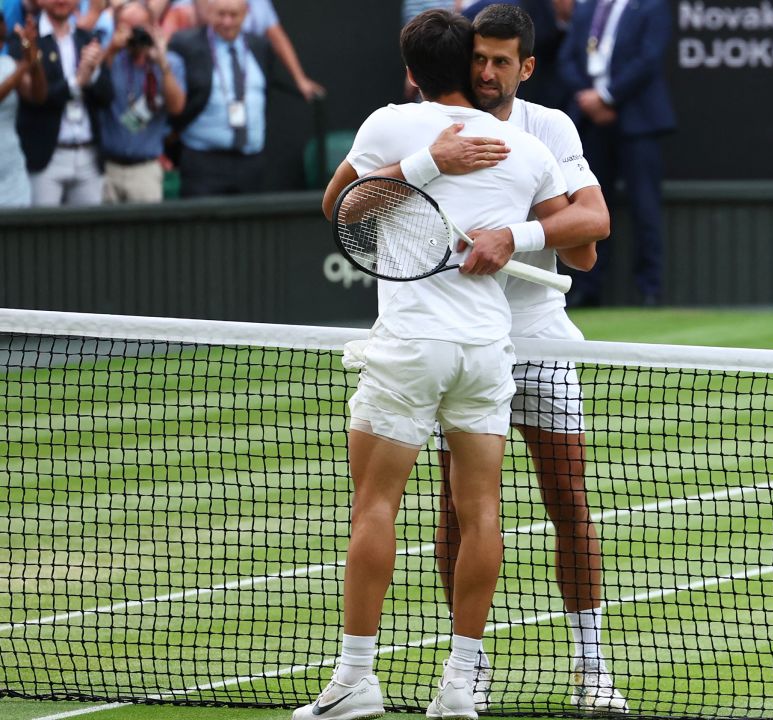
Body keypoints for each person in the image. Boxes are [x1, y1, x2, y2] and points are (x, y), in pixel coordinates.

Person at [296, 8, 570, 720]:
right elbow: (584, 241)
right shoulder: (525, 148)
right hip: (485, 354)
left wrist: (421, 167)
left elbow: (339, 209)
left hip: (410, 350)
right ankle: (458, 687)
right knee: (482, 513)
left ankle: (357, 680)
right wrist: (516, 229)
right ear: (471, 65)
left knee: (374, 507)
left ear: (411, 72)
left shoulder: (387, 123)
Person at [419, 3, 623, 713]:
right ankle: (465, 665)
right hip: (468, 341)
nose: (486, 71)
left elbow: (589, 232)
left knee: (569, 500)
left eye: (501, 60)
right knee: (458, 509)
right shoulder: (435, 131)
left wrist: (514, 233)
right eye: (478, 58)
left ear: (525, 67)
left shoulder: (550, 127)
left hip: (537, 340)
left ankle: (593, 667)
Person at [558, 0, 675, 307]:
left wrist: (608, 97)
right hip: (589, 121)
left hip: (638, 119)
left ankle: (650, 289)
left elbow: (648, 59)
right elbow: (567, 58)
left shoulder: (651, 7)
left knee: (645, 206)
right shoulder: (587, 8)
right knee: (588, 204)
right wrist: (588, 98)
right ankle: (587, 288)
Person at [166, 0, 291, 197]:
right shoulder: (187, 45)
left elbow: (265, 96)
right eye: (220, 14)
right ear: (209, 13)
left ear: (246, 13)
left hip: (250, 162)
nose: (227, 22)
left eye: (233, 15)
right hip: (203, 163)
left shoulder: (260, 46)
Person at [8, 0, 113, 207]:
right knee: (42, 234)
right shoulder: (24, 39)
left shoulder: (88, 38)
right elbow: (36, 98)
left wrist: (93, 74)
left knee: (90, 235)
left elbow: (108, 96)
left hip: (88, 155)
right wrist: (76, 82)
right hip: (46, 157)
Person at [97, 0, 183, 203]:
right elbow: (94, 89)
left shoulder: (170, 62)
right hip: (107, 167)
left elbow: (176, 107)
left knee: (146, 233)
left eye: (140, 27)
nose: (135, 34)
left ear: (153, 27)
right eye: (128, 27)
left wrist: (162, 65)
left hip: (146, 168)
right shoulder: (109, 57)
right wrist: (112, 49)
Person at [461, 0, 570, 109]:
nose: (486, 74)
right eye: (479, 58)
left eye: (501, 62)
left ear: (527, 68)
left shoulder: (549, 123)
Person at [0, 14, 43, 207]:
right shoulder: (16, 69)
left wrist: (33, 59)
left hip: (11, 172)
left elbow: (38, 96)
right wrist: (25, 65)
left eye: (2, 38)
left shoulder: (8, 65)